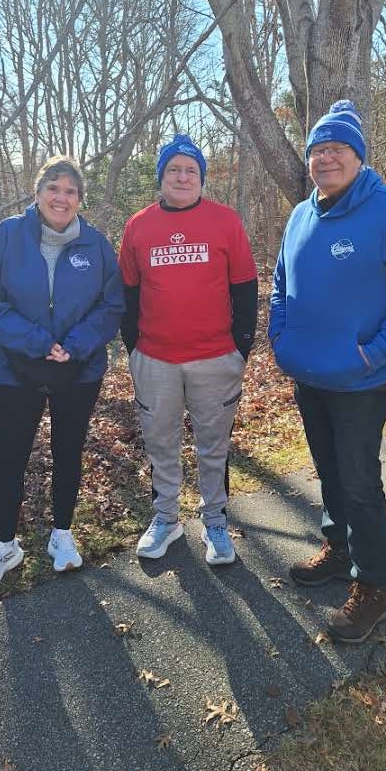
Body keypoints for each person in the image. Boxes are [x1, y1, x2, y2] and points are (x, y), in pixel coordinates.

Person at [269, 100, 386, 643]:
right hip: (309, 375)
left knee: (360, 481)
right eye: (317, 151)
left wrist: (377, 351)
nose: (325, 159)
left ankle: (375, 586)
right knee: (330, 473)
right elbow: (279, 284)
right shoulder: (299, 215)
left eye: (337, 149)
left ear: (358, 157)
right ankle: (339, 551)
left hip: (364, 378)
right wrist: (281, 338)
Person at [0, 156, 124, 587]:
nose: (61, 197)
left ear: (79, 199)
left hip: (79, 368)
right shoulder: (5, 238)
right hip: (16, 368)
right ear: (37, 194)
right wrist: (38, 342)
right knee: (10, 456)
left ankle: (61, 534)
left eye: (70, 191)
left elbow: (112, 305)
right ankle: (5, 545)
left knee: (67, 451)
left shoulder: (95, 245)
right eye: (53, 188)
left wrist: (72, 347)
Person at [119, 134, 258, 565]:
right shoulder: (138, 225)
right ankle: (165, 519)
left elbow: (246, 291)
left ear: (201, 178)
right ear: (161, 177)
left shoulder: (225, 221)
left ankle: (215, 522)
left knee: (213, 447)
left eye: (191, 170)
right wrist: (135, 349)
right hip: (155, 359)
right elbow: (126, 294)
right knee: (160, 443)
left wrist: (240, 350)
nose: (182, 176)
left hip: (215, 358)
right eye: (174, 169)